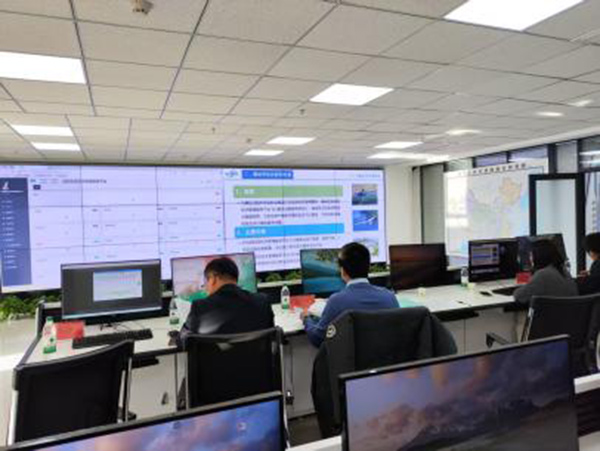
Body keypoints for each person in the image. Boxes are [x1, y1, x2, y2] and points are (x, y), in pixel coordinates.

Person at [302, 242, 398, 347]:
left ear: (343, 271)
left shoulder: (336, 301)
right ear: (368, 267)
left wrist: (306, 318)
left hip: (349, 357)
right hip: (384, 356)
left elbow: (317, 338)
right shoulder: (389, 297)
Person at [179, 257, 274, 340]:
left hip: (215, 356)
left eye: (206, 282)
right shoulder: (262, 301)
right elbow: (271, 336)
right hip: (255, 356)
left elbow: (184, 339)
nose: (206, 287)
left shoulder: (200, 307)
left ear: (213, 279)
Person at [514, 239, 578, 305]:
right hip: (569, 310)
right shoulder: (564, 271)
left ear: (538, 255)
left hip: (554, 310)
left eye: (531, 255)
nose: (530, 258)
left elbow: (519, 296)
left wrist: (516, 290)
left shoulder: (542, 275)